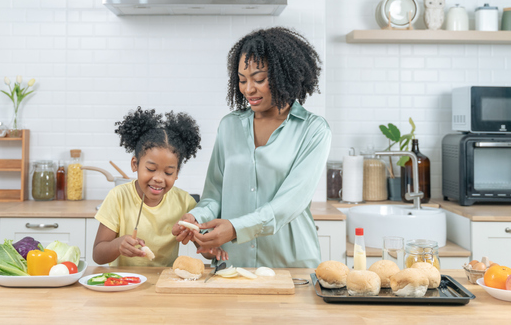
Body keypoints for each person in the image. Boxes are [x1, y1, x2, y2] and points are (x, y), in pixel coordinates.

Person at [173, 27, 332, 268]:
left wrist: (235, 229)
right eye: (242, 80)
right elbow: (214, 194)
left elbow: (289, 203)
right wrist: (197, 218)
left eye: (259, 79)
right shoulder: (229, 126)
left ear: (284, 75)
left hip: (290, 267)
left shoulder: (313, 130)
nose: (248, 89)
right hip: (233, 265)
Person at [93, 107, 227, 266]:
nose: (158, 179)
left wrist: (212, 249)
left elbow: (204, 249)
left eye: (169, 172)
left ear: (177, 173)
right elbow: (98, 255)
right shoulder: (118, 197)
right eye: (150, 169)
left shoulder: (185, 202)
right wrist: (117, 245)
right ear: (135, 164)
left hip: (164, 283)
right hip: (124, 283)